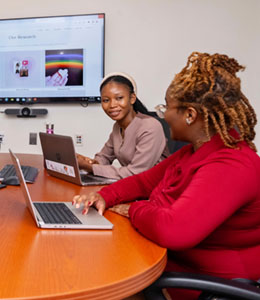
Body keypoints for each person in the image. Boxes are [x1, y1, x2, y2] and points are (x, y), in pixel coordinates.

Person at [73, 52, 260, 300]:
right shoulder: (193, 152)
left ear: (190, 114)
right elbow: (143, 181)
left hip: (208, 283)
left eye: (165, 108)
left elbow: (174, 229)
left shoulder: (231, 164)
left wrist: (133, 210)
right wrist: (104, 195)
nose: (162, 115)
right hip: (167, 261)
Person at [76, 72, 168, 179]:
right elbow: (104, 158)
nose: (112, 105)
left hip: (157, 189)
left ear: (132, 98)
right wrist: (85, 161)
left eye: (119, 98)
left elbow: (136, 172)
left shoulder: (150, 126)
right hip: (132, 187)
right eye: (106, 100)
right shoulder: (117, 127)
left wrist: (89, 167)